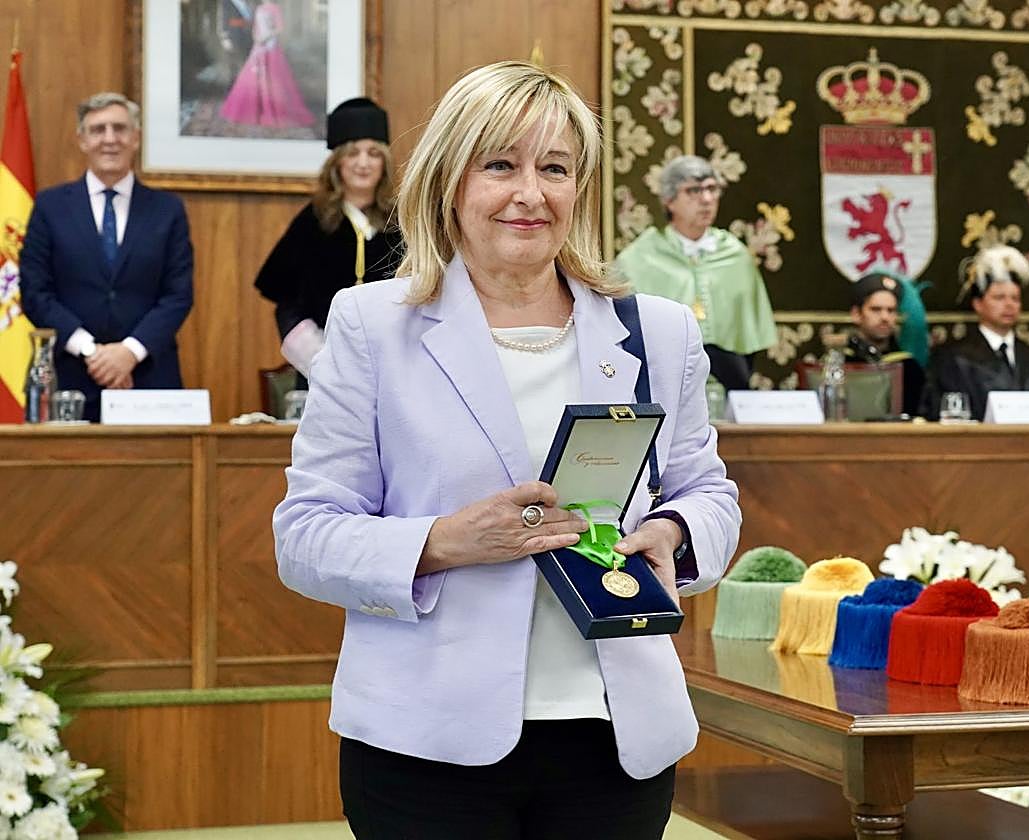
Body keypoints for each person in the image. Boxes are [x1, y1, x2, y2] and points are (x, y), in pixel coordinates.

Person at [273, 61, 740, 838]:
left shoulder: (655, 329)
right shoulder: (369, 325)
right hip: (427, 746)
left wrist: (674, 534)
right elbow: (305, 535)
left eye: (555, 168)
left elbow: (708, 493)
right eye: (500, 165)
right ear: (450, 181)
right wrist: (443, 542)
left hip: (615, 739)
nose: (531, 193)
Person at [19, 92, 194, 422]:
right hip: (71, 380)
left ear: (136, 137)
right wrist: (93, 352)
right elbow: (35, 293)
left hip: (149, 379)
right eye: (98, 130)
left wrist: (129, 352)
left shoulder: (167, 210)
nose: (110, 139)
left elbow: (178, 295)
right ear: (82, 140)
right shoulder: (50, 207)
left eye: (120, 128)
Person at [254, 97, 403, 379]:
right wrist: (321, 361)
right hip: (322, 371)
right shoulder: (313, 222)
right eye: (352, 153)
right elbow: (287, 303)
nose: (363, 163)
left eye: (373, 153)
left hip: (393, 369)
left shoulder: (402, 223)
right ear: (337, 162)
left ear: (385, 161)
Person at [613, 155, 776, 392]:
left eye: (712, 189)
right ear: (669, 200)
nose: (707, 199)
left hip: (728, 379)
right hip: (662, 379)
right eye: (693, 191)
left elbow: (750, 336)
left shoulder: (735, 255)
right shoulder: (640, 257)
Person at [921, 245, 1029, 420]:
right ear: (978, 304)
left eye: (1015, 298)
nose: (1009, 305)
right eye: (999, 297)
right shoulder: (951, 360)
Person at [219, 1, 313, 128]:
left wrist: (266, 36)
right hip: (258, 45)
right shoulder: (258, 8)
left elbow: (280, 28)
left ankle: (271, 109)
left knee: (272, 78)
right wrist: (256, 38)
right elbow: (255, 27)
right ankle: (254, 110)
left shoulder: (275, 8)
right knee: (251, 77)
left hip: (270, 45)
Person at [844, 272, 925, 416]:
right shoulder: (838, 365)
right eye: (876, 309)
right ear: (856, 314)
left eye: (891, 310)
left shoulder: (910, 368)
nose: (885, 317)